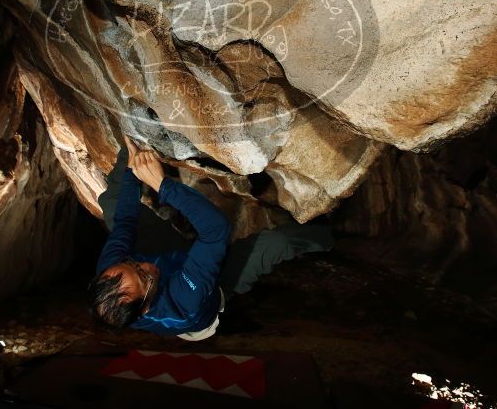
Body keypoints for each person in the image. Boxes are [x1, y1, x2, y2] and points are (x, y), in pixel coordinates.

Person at [88, 135, 334, 341]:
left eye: (132, 264)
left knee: (112, 203)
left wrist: (133, 169)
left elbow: (125, 222)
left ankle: (130, 146)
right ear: (143, 308)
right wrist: (161, 184)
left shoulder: (113, 270)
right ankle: (330, 235)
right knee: (276, 244)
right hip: (209, 289)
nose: (142, 265)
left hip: (171, 261)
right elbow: (216, 232)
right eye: (143, 275)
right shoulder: (184, 302)